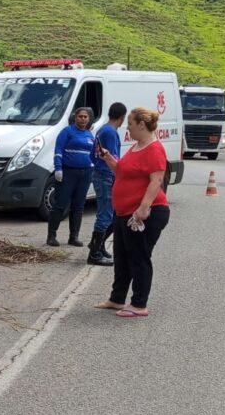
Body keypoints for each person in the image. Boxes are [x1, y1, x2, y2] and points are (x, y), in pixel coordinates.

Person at [94, 107, 170, 317]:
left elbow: (156, 180)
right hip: (124, 212)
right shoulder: (137, 146)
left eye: (131, 123)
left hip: (145, 213)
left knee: (138, 257)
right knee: (122, 256)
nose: (127, 127)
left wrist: (143, 208)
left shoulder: (154, 149)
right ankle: (117, 298)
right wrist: (109, 160)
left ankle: (139, 304)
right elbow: (125, 172)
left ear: (142, 125)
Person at [47, 106, 96, 247]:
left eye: (85, 117)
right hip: (68, 172)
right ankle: (51, 235)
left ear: (89, 119)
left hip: (85, 173)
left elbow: (92, 154)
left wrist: (93, 166)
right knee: (60, 205)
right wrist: (58, 168)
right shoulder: (67, 132)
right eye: (80, 116)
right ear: (75, 117)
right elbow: (58, 150)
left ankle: (73, 237)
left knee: (79, 206)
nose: (83, 119)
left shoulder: (89, 134)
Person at [87, 102, 127, 266]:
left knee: (114, 212)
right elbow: (112, 158)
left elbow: (92, 155)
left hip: (101, 172)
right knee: (106, 213)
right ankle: (94, 253)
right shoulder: (110, 132)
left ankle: (99, 244)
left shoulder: (103, 129)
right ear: (122, 117)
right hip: (106, 174)